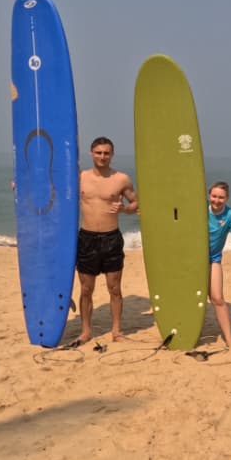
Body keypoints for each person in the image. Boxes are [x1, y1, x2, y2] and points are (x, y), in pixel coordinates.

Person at [77, 137, 137, 343]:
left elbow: (136, 204)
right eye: (98, 152)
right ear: (91, 153)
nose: (102, 156)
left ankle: (117, 331)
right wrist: (19, 184)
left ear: (112, 154)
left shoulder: (121, 179)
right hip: (87, 238)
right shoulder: (80, 177)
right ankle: (86, 331)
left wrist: (124, 208)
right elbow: (51, 188)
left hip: (111, 238)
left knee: (115, 289)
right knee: (86, 289)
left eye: (106, 153)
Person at [207, 181, 231, 348]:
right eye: (214, 196)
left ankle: (229, 339)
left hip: (213, 259)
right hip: (193, 259)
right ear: (209, 195)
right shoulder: (199, 208)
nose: (217, 200)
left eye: (221, 197)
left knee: (217, 298)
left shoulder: (230, 214)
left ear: (227, 198)